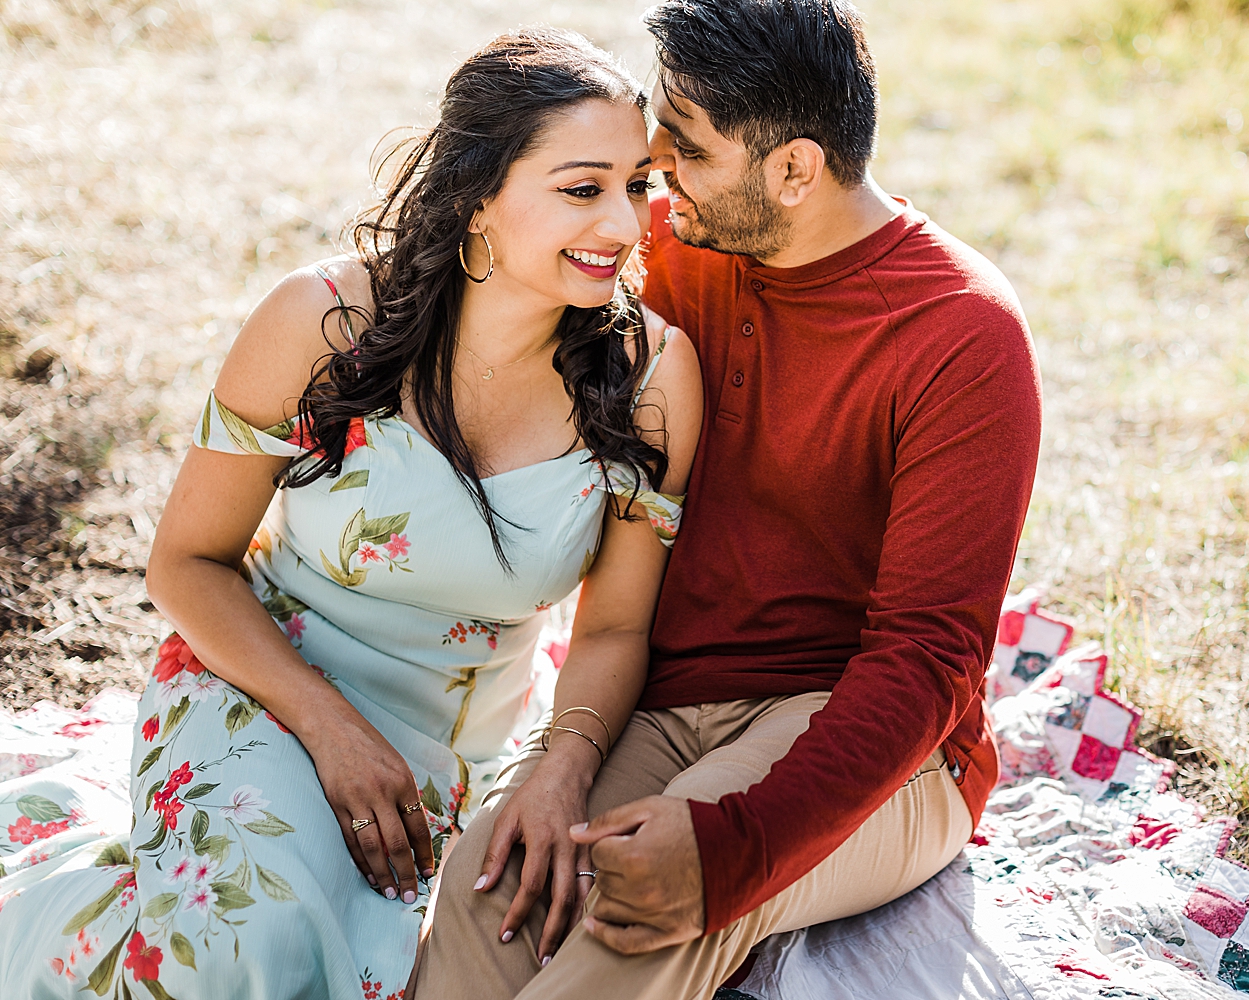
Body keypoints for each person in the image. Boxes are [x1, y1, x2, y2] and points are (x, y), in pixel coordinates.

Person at [0, 29, 700, 1000]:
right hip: (264, 683)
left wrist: (562, 767)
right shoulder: (321, 321)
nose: (625, 224)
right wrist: (330, 728)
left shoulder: (652, 374)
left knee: (403, 972)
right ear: (479, 195)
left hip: (453, 747)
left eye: (639, 184)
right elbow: (188, 564)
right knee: (249, 944)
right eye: (584, 188)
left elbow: (616, 624)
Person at [408, 1, 1043, 998]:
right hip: (661, 701)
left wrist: (729, 849)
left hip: (864, 734)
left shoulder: (963, 334)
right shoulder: (664, 247)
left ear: (794, 170)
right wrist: (565, 754)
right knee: (493, 877)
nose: (655, 169)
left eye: (688, 149)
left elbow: (928, 659)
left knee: (638, 916)